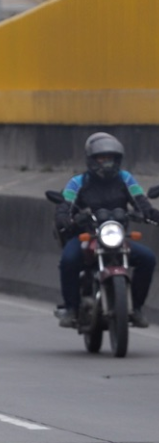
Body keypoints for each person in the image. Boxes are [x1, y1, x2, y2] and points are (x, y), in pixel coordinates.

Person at [54, 132, 159, 329]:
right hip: (87, 236)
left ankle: (136, 308)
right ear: (92, 160)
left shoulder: (125, 179)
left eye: (110, 158)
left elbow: (141, 202)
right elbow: (65, 205)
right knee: (68, 259)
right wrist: (67, 219)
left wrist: (150, 215)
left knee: (148, 258)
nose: (106, 163)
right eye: (102, 158)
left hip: (117, 236)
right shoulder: (78, 182)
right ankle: (71, 309)